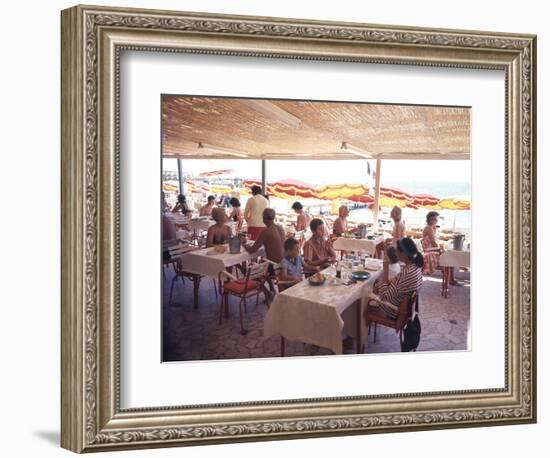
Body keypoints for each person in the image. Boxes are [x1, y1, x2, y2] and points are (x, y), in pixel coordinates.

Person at [366, 237, 424, 320]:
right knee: (375, 287)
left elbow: (384, 297)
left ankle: (360, 330)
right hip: (403, 307)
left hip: (394, 311)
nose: (395, 253)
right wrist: (388, 282)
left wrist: (385, 272)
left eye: (397, 251)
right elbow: (398, 285)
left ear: (404, 254)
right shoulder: (416, 267)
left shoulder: (407, 273)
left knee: (364, 301)